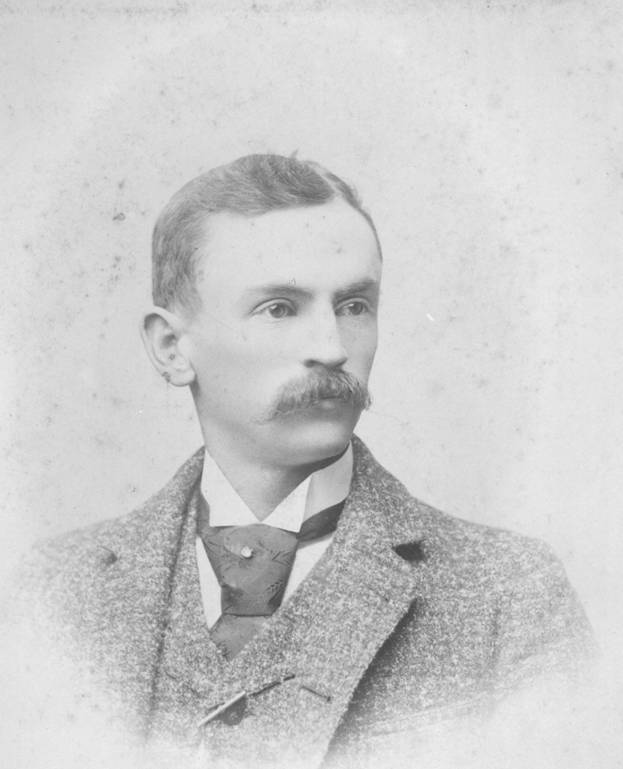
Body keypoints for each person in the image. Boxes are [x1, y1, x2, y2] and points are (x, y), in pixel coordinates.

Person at [7, 154, 593, 768]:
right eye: (280, 308)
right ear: (172, 348)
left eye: (354, 305)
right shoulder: (51, 591)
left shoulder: (508, 595)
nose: (332, 348)